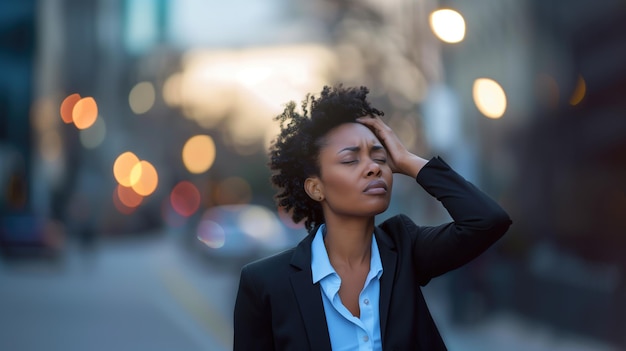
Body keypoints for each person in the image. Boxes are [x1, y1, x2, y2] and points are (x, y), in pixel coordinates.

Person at [233, 85, 512, 351]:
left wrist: (408, 160)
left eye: (380, 157)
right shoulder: (265, 284)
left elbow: (487, 220)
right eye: (350, 160)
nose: (372, 169)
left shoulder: (405, 250)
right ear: (316, 187)